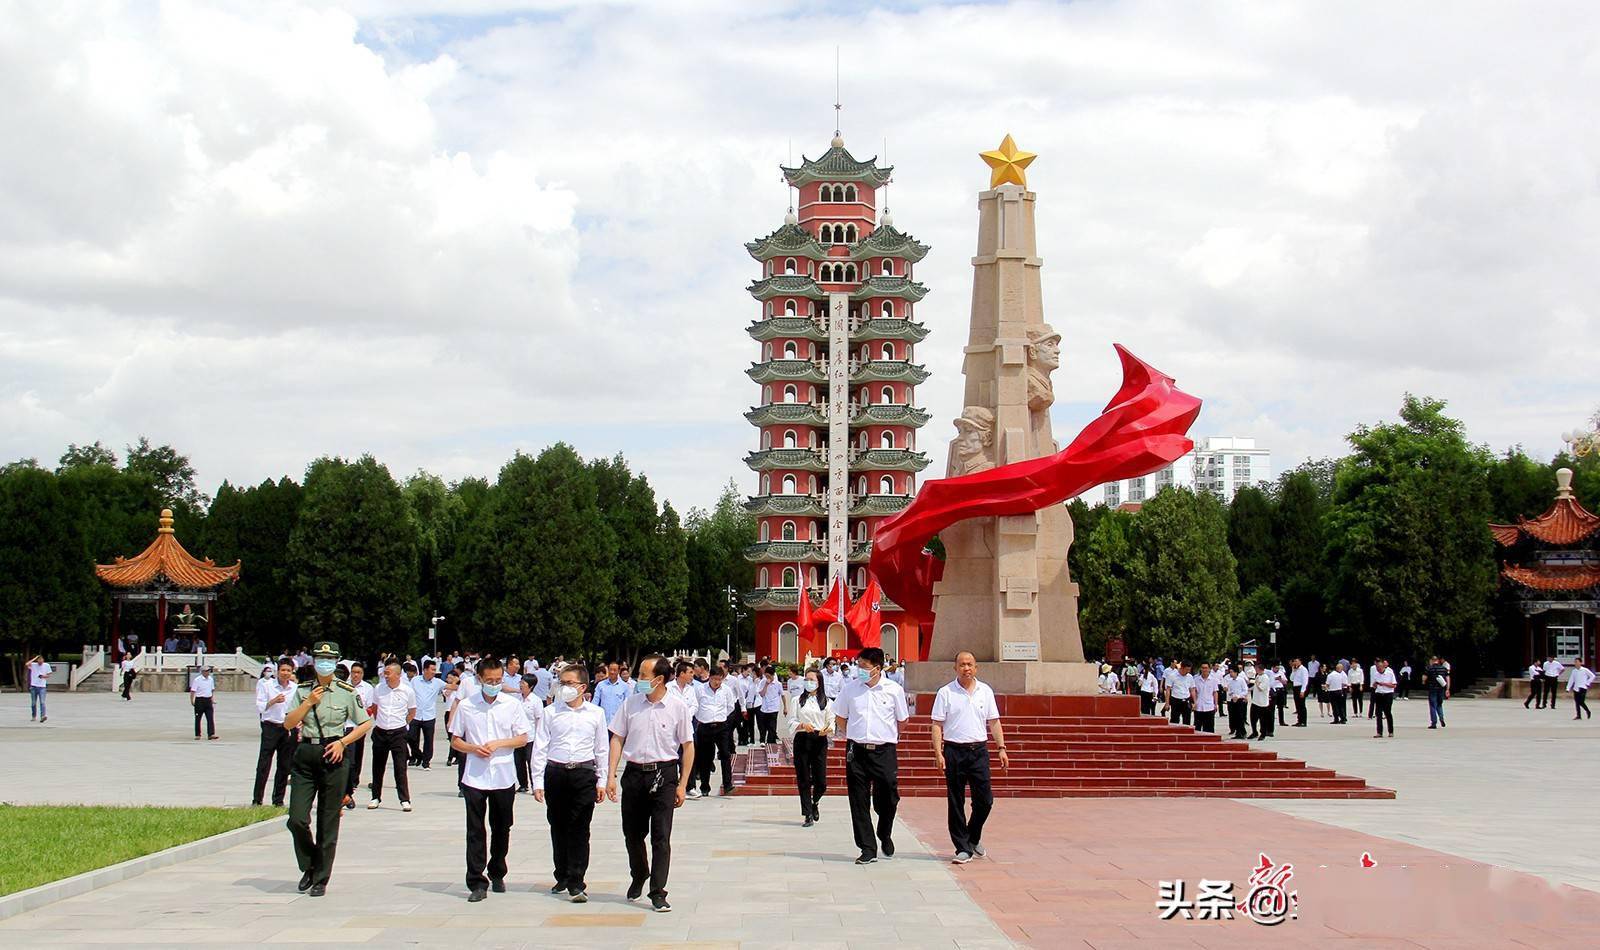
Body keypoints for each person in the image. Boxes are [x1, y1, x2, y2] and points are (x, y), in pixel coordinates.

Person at [282, 641, 373, 897]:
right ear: (313, 661)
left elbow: (365, 723)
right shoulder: (303, 690)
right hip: (306, 753)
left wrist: (343, 743)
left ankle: (321, 877)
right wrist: (308, 702)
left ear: (336, 662)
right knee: (297, 818)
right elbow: (288, 723)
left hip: (333, 754)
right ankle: (309, 864)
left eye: (330, 659)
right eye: (321, 659)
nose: (325, 663)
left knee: (328, 819)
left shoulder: (346, 691)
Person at [607, 655, 694, 913]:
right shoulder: (631, 704)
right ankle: (639, 873)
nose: (639, 679)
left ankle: (658, 891)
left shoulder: (677, 707)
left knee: (661, 836)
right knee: (632, 834)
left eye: (644, 676)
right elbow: (617, 738)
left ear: (659, 679)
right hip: (634, 774)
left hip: (664, 775)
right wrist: (610, 775)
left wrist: (682, 784)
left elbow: (688, 746)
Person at [446, 656, 530, 901]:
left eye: (498, 680)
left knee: (502, 826)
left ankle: (497, 870)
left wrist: (499, 744)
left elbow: (522, 738)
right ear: (479, 679)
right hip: (475, 776)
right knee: (475, 829)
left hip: (503, 776)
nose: (494, 684)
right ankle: (476, 881)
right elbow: (456, 740)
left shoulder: (511, 705)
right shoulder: (467, 706)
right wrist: (474, 748)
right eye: (489, 680)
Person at [532, 663, 609, 902]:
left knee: (580, 827)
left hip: (583, 774)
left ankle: (577, 880)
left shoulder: (596, 713)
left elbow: (602, 748)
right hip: (556, 773)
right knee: (558, 826)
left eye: (569, 683)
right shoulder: (550, 712)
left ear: (582, 687)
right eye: (561, 683)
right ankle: (562, 874)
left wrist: (602, 780)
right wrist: (537, 781)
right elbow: (540, 747)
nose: (563, 688)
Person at [930, 652, 1007, 864]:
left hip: (978, 751)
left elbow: (994, 721)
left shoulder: (985, 691)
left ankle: (972, 837)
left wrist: (1001, 748)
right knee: (956, 801)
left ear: (976, 667)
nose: (966, 668)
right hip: (954, 751)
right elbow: (937, 724)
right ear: (955, 668)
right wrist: (938, 753)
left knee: (985, 800)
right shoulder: (946, 692)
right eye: (962, 665)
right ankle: (962, 848)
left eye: (970, 664)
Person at [835, 647, 909, 866]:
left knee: (888, 796)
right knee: (858, 800)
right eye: (858, 665)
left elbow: (902, 720)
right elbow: (840, 717)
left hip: (884, 751)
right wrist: (853, 735)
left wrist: (888, 736)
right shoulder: (850, 689)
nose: (860, 670)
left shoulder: (893, 690)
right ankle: (867, 848)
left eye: (864, 666)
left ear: (877, 668)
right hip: (856, 751)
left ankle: (884, 832)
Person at [368, 659, 417, 811]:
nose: (386, 676)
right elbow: (374, 708)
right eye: (385, 673)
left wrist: (403, 723)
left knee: (400, 768)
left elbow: (412, 712)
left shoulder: (407, 691)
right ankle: (375, 797)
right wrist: (381, 721)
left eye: (388, 673)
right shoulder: (379, 688)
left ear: (398, 674)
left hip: (398, 733)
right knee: (377, 767)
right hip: (381, 732)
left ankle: (404, 799)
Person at [787, 667, 832, 826]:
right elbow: (791, 721)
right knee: (804, 778)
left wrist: (828, 729)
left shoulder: (827, 702)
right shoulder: (797, 700)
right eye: (806, 679)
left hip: (819, 739)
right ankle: (807, 813)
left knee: (821, 781)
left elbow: (831, 722)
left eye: (812, 680)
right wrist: (801, 725)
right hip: (803, 739)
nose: (808, 682)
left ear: (819, 682)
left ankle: (815, 802)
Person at [254, 658, 298, 806]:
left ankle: (278, 799)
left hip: (287, 728)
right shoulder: (267, 685)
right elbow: (260, 706)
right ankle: (257, 799)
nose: (285, 673)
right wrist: (273, 701)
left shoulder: (295, 688)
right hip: (270, 726)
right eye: (283, 670)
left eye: (288, 670)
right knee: (264, 763)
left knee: (284, 765)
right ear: (277, 671)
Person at [691, 665, 738, 799]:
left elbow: (730, 707)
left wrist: (720, 716)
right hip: (705, 726)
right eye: (714, 679)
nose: (717, 682)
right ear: (710, 678)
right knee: (705, 757)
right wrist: (703, 717)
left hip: (721, 726)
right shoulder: (700, 689)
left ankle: (728, 784)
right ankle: (705, 786)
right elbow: (695, 705)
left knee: (725, 754)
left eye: (719, 679)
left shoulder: (726, 690)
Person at [342, 663, 374, 809]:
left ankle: (354, 782)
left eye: (359, 672)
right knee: (348, 760)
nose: (356, 675)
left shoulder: (367, 688)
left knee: (357, 756)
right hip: (345, 727)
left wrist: (362, 718)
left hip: (359, 726)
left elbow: (370, 707)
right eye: (353, 672)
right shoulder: (344, 685)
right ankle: (347, 789)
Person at [409, 659, 446, 769]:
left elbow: (450, 686)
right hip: (415, 715)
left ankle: (426, 762)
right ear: (425, 670)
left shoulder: (437, 682)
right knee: (411, 738)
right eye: (432, 669)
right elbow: (409, 694)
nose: (434, 672)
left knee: (428, 741)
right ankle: (418, 755)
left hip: (429, 716)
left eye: (435, 670)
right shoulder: (415, 680)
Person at [514, 674, 545, 793]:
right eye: (520, 682)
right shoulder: (517, 699)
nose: (521, 685)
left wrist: (539, 736)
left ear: (531, 686)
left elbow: (539, 719)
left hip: (531, 736)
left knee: (531, 761)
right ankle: (523, 784)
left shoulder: (536, 701)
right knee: (519, 761)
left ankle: (535, 785)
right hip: (518, 736)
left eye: (523, 683)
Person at [756, 665, 783, 744]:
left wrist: (785, 707)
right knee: (763, 726)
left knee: (772, 726)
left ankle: (770, 742)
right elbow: (761, 694)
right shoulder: (763, 682)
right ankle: (762, 740)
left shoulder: (778, 684)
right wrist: (766, 685)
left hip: (774, 708)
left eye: (769, 676)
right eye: (766, 675)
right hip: (764, 707)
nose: (767, 677)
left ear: (773, 675)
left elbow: (782, 695)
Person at [1371, 657, 1397, 737]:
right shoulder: (1376, 674)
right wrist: (1375, 685)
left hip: (1387, 694)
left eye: (1379, 668)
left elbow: (1394, 685)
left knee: (1387, 712)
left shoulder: (1390, 673)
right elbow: (1374, 685)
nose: (1378, 669)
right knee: (1378, 713)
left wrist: (1384, 684)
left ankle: (1391, 731)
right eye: (1377, 668)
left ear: (1383, 667)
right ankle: (1379, 732)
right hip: (1379, 694)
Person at [190, 666, 218, 740]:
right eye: (206, 671)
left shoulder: (210, 679)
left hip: (208, 700)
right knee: (198, 718)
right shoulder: (197, 680)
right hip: (200, 700)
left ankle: (211, 734)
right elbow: (193, 691)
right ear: (202, 672)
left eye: (209, 671)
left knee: (210, 718)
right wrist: (192, 700)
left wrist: (212, 699)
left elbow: (212, 690)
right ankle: (197, 734)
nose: (208, 672)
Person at [1190, 662, 1219, 734]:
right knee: (1197, 727)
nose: (1204, 670)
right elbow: (1194, 692)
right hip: (1199, 706)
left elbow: (1215, 692)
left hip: (1209, 706)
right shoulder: (1196, 680)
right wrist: (1194, 702)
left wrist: (1216, 704)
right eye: (1203, 668)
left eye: (1206, 668)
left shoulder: (1213, 680)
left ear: (1209, 669)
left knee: (1209, 728)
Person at [1249, 663, 1275, 740]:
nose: (1255, 670)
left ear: (1260, 669)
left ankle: (1263, 734)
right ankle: (1254, 732)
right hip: (1255, 701)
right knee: (1253, 718)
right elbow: (1255, 687)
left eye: (1256, 669)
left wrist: (1256, 683)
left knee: (1263, 720)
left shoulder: (1265, 677)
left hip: (1262, 703)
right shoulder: (1257, 676)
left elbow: (1261, 688)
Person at [1165, 661, 1194, 726]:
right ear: (1182, 668)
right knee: (1174, 720)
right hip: (1175, 700)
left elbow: (1192, 689)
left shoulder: (1190, 677)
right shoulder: (1172, 676)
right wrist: (1167, 703)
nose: (1188, 671)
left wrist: (1194, 702)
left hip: (1186, 700)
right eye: (1187, 669)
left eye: (1189, 670)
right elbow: (1168, 690)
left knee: (1187, 720)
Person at [1226, 664, 1250, 739]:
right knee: (1234, 717)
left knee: (1240, 717)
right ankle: (1238, 733)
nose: (1231, 674)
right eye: (1230, 672)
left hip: (1240, 700)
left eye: (1232, 672)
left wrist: (1238, 696)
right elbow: (1229, 690)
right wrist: (1231, 695)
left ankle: (1243, 732)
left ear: (1236, 672)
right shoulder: (1230, 681)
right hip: (1233, 700)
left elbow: (1245, 690)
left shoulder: (1241, 680)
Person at [1425, 655, 1450, 729]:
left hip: (1432, 689)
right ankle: (1441, 718)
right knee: (1439, 704)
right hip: (1441, 689)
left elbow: (1424, 678)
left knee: (1432, 705)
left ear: (1432, 661)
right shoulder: (1444, 668)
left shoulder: (1429, 668)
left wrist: (1424, 681)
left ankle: (1434, 723)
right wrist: (1447, 689)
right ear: (1438, 661)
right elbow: (1448, 679)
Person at [26, 655, 52, 722]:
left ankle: (43, 716)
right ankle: (34, 716)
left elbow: (49, 674)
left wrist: (43, 676)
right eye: (39, 660)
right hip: (33, 686)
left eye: (41, 660)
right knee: (33, 703)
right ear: (37, 660)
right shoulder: (33, 665)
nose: (40, 662)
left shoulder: (46, 665)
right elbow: (27, 664)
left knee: (42, 702)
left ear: (43, 660)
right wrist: (35, 658)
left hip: (42, 687)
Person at [1289, 658, 1309, 727]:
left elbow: (1305, 681)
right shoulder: (1295, 669)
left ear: (1300, 662)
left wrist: (1302, 691)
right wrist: (1293, 670)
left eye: (1296, 661)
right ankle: (1299, 720)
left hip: (1301, 687)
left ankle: (1303, 721)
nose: (1295, 662)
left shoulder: (1303, 669)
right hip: (1295, 687)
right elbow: (1291, 679)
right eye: (1294, 661)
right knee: (1297, 705)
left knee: (1302, 705)